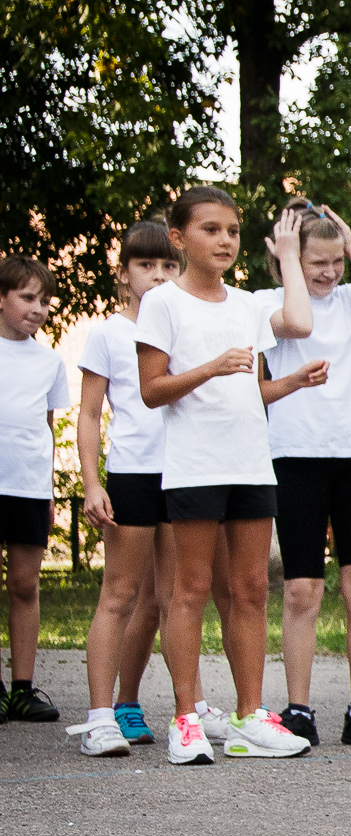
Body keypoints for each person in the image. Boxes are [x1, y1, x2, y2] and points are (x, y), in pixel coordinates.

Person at [137, 189, 321, 763]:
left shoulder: (245, 304)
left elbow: (294, 324)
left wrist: (289, 254)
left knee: (248, 591)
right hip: (195, 465)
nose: (224, 241)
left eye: (233, 231)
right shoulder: (162, 303)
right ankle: (186, 719)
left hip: (250, 461)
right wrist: (212, 366)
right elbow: (151, 391)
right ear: (179, 238)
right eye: (211, 229)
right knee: (189, 591)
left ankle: (247, 717)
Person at [256, 202, 351, 747]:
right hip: (295, 456)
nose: (328, 273)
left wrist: (350, 240)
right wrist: (290, 260)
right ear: (289, 259)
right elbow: (297, 322)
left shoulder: (349, 301)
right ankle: (298, 709)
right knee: (301, 590)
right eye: (317, 262)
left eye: (335, 262)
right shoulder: (266, 304)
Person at [68, 225, 181, 755]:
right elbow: (89, 415)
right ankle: (97, 719)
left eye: (168, 266)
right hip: (133, 474)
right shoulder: (108, 334)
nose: (158, 275)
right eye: (146, 266)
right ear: (124, 275)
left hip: (184, 475)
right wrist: (92, 484)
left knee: (167, 601)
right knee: (120, 594)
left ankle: (128, 704)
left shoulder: (186, 327)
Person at [0, 256, 68, 725]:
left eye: (44, 300)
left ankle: (22, 689)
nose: (38, 308)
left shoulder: (49, 362)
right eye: (27, 297)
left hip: (27, 487)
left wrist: (45, 494)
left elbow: (46, 428)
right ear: (1, 298)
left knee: (25, 585)